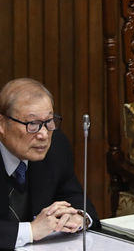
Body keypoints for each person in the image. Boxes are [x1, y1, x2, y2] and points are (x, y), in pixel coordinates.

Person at [0, 78, 98, 249]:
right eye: (33, 124)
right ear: (2, 124)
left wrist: (78, 216)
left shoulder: (56, 147)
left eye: (49, 122)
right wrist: (31, 231)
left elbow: (74, 197)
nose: (44, 134)